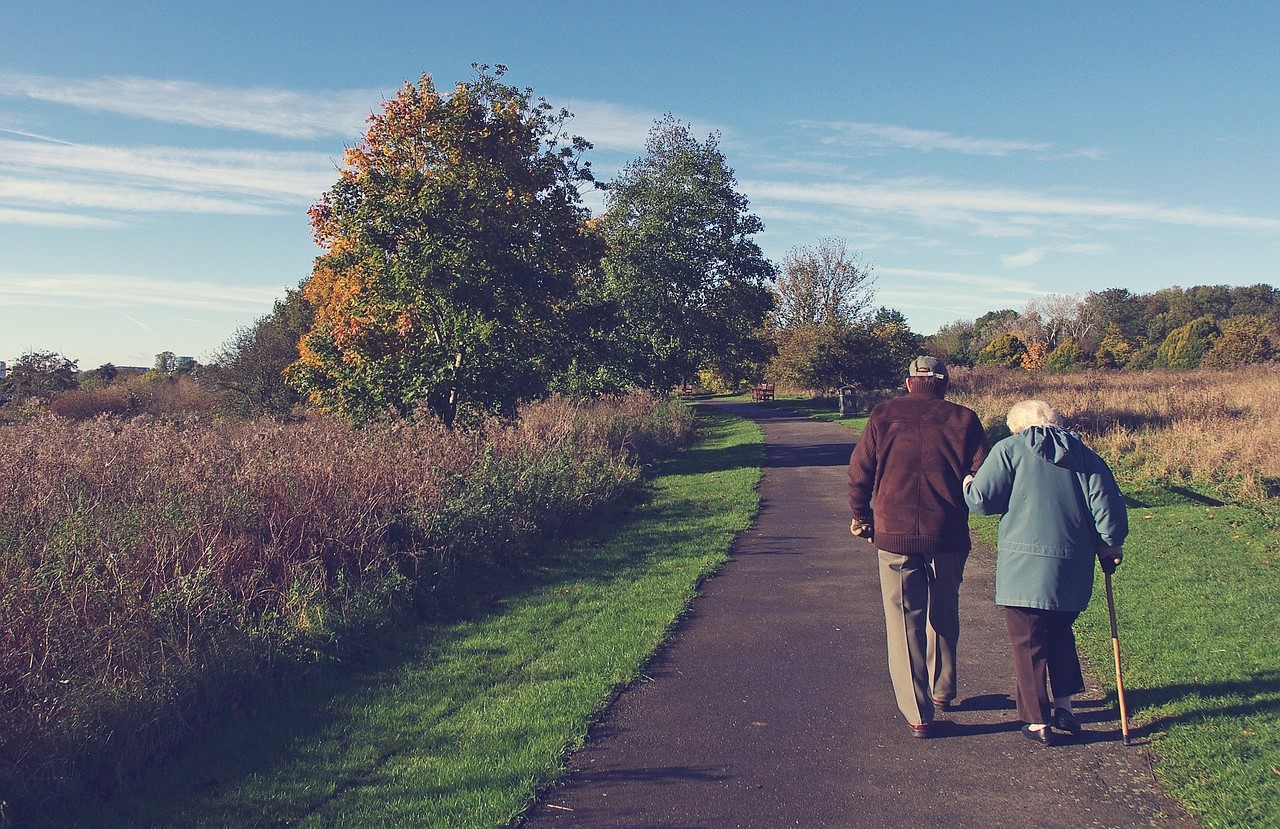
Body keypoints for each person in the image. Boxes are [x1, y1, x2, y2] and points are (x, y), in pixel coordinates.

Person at [963, 400, 1128, 746]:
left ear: (1018, 427)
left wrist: (967, 482)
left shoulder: (1010, 449)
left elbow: (982, 500)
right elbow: (1107, 509)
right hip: (1073, 566)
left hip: (1023, 566)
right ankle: (1065, 706)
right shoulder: (1086, 455)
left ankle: (1037, 720)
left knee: (1028, 640)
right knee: (1060, 632)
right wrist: (1111, 545)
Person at [847, 355, 989, 738]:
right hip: (948, 533)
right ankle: (943, 690)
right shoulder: (965, 419)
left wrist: (862, 516)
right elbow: (982, 474)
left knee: (903, 621)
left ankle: (918, 713)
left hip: (894, 533)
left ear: (909, 383)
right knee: (944, 611)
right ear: (945, 383)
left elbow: (859, 472)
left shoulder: (883, 415)